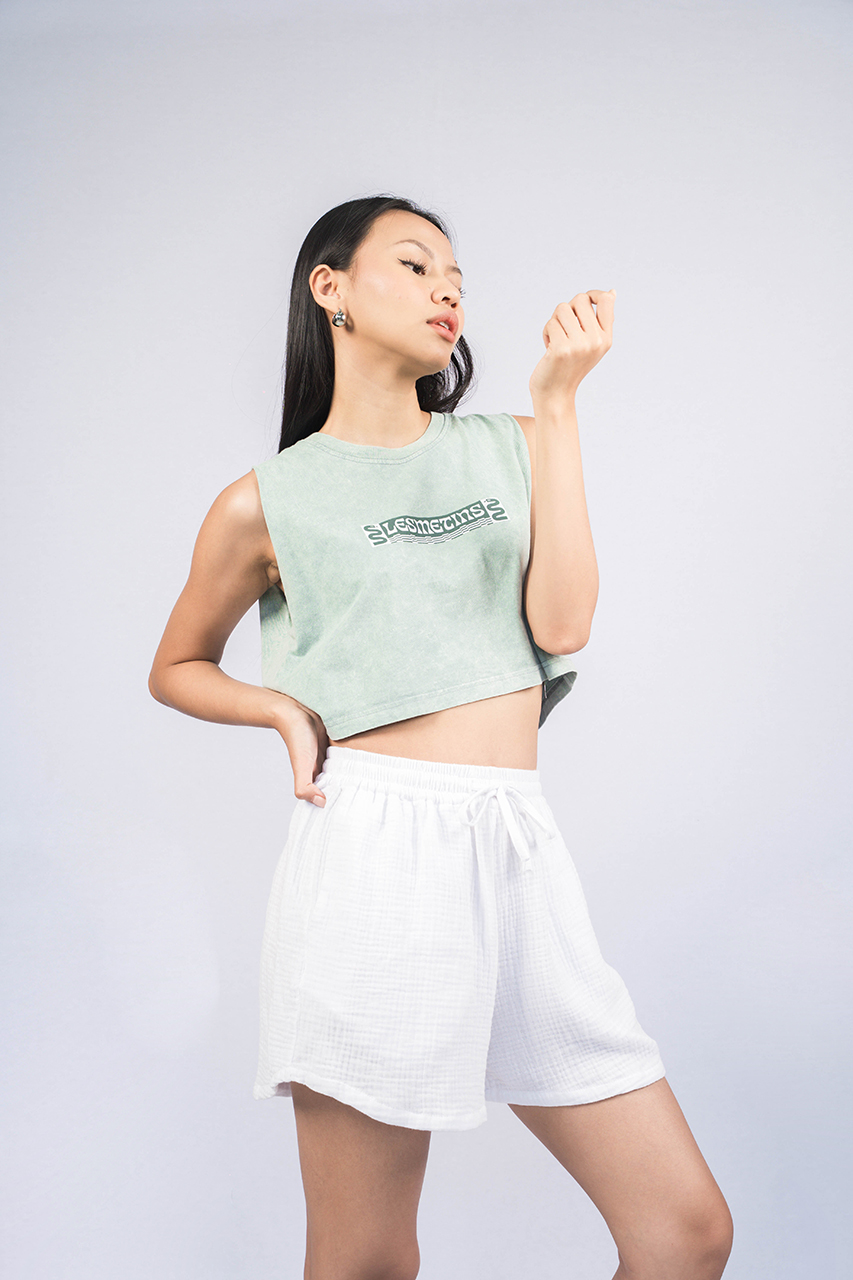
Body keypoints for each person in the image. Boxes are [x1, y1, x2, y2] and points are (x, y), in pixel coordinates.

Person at [149, 194, 733, 1280]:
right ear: (330, 288)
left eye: (456, 276)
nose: (446, 290)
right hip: (371, 852)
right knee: (367, 1258)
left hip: (515, 844)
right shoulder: (265, 501)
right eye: (415, 266)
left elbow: (562, 624)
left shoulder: (516, 443)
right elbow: (176, 664)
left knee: (683, 1233)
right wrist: (281, 707)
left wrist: (556, 403)